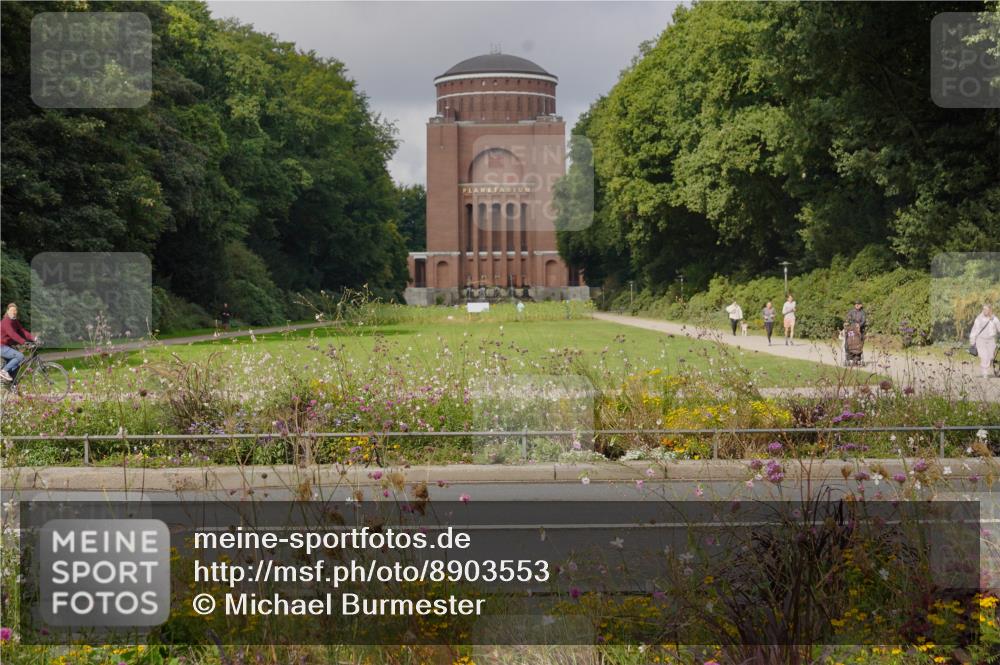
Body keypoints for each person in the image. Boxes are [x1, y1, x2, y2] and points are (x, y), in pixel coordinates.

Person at [1, 302, 37, 382]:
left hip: (7, 347)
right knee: (20, 356)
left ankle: (11, 386)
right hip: (2, 346)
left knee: (16, 366)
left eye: (15, 310)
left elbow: (22, 331)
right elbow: (12, 334)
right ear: (7, 311)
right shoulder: (6, 321)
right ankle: (3, 371)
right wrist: (24, 342)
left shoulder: (14, 321)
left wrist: (34, 338)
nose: (14, 312)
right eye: (11, 310)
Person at [969, 304, 1000, 378]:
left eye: (986, 309)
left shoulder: (995, 319)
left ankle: (986, 368)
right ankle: (985, 373)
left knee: (990, 356)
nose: (985, 311)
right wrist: (972, 341)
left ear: (990, 310)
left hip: (991, 340)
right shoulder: (978, 319)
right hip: (981, 340)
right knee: (984, 356)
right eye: (984, 309)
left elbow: (999, 328)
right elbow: (974, 330)